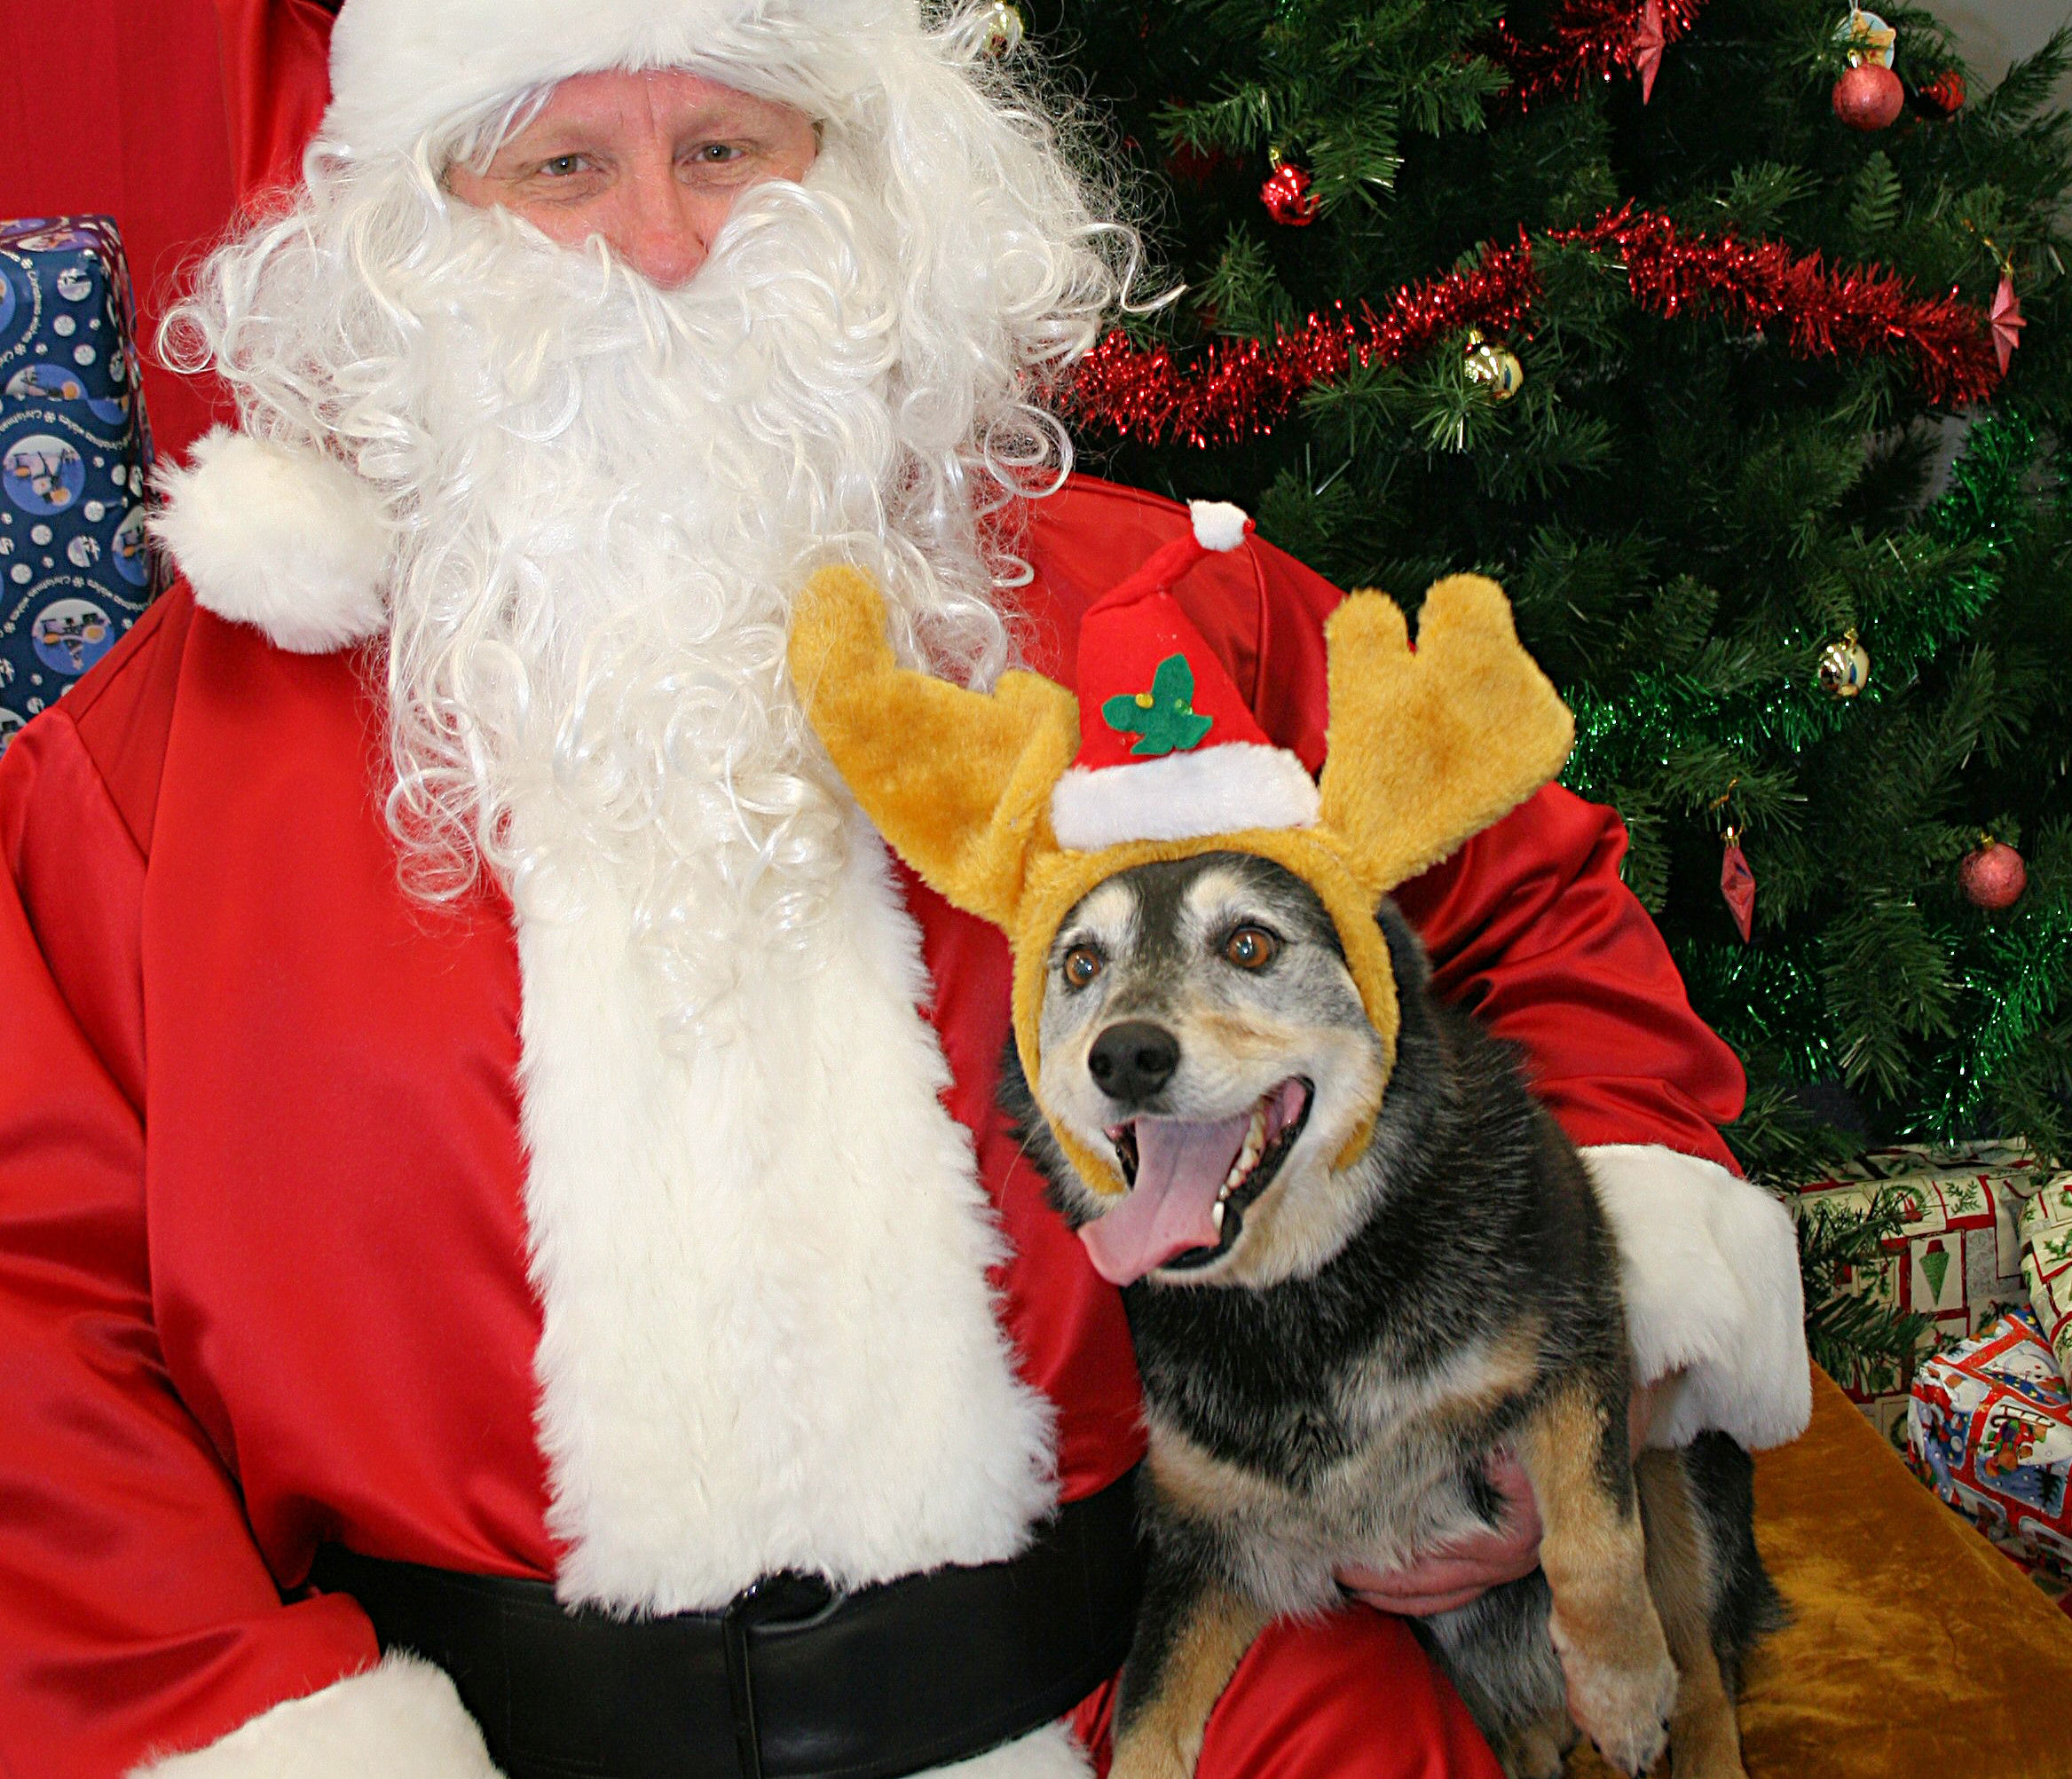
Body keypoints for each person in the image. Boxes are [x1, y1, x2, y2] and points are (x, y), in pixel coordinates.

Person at [0, 3, 1810, 1775]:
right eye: (563, 164)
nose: (661, 243)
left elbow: (1534, 937)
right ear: (418, 228)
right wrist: (248, 1721)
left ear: (863, 176)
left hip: (1154, 1685)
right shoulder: (166, 761)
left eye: (726, 149)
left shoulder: (1148, 617)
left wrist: (1532, 1400)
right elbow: (28, 1311)